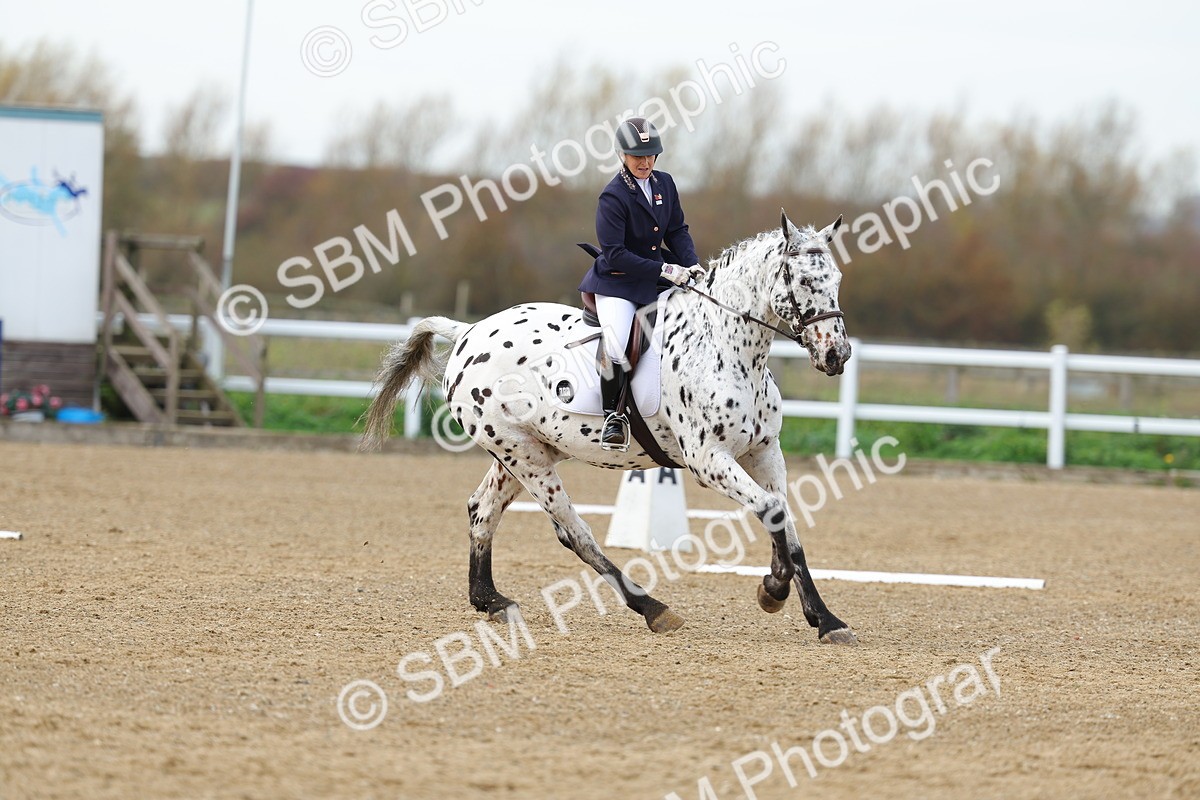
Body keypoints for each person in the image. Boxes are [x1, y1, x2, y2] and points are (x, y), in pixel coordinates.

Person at [578, 117, 705, 451]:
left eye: (650, 154)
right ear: (622, 154)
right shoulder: (613, 196)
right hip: (618, 283)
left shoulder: (665, 184)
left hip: (658, 279)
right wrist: (665, 269)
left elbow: (677, 230)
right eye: (638, 156)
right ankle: (613, 417)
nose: (645, 161)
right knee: (619, 342)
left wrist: (691, 264)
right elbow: (616, 254)